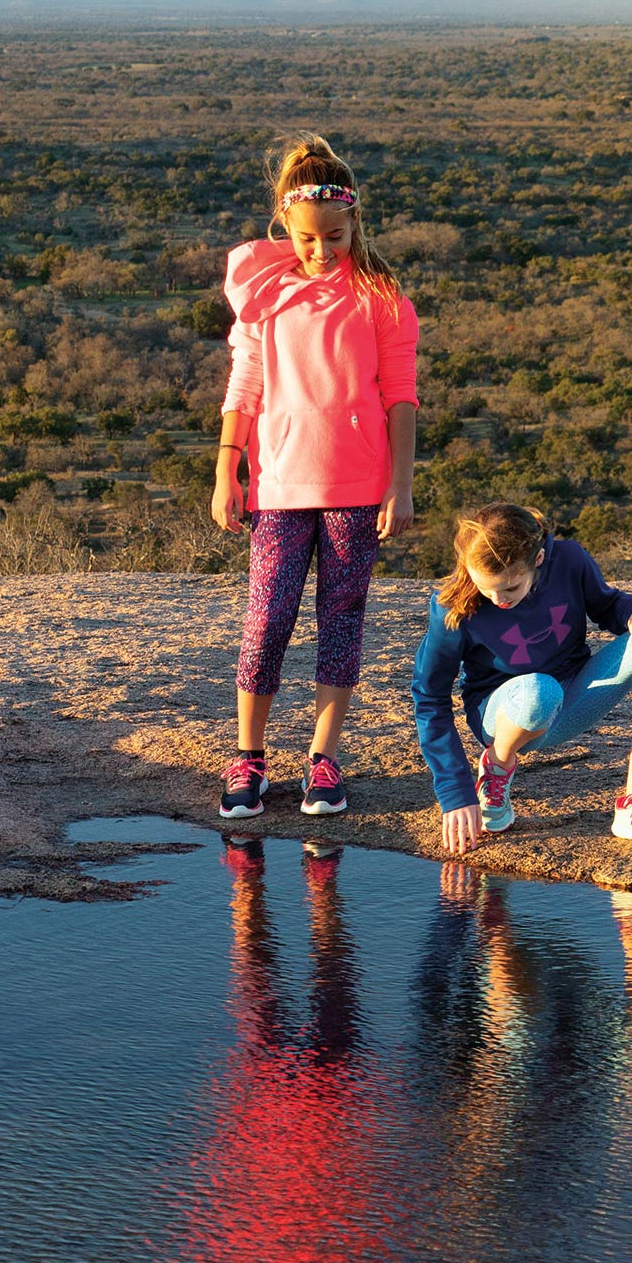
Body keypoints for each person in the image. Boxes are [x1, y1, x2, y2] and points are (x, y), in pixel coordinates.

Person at [211, 135, 419, 821]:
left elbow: (400, 396)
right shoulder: (263, 290)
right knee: (267, 621)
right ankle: (249, 758)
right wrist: (226, 471)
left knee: (341, 623)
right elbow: (244, 384)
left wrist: (401, 484)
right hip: (278, 484)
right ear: (285, 226)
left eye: (334, 236)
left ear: (356, 223)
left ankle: (324, 761)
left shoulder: (381, 296)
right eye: (306, 238)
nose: (320, 251)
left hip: (358, 488)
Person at [411, 503, 632, 851]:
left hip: (573, 694)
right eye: (486, 589)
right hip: (506, 714)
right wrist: (454, 791)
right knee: (539, 692)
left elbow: (607, 605)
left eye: (510, 589)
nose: (497, 600)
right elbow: (429, 696)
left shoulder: (569, 559)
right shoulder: (453, 605)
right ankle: (496, 766)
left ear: (538, 560)